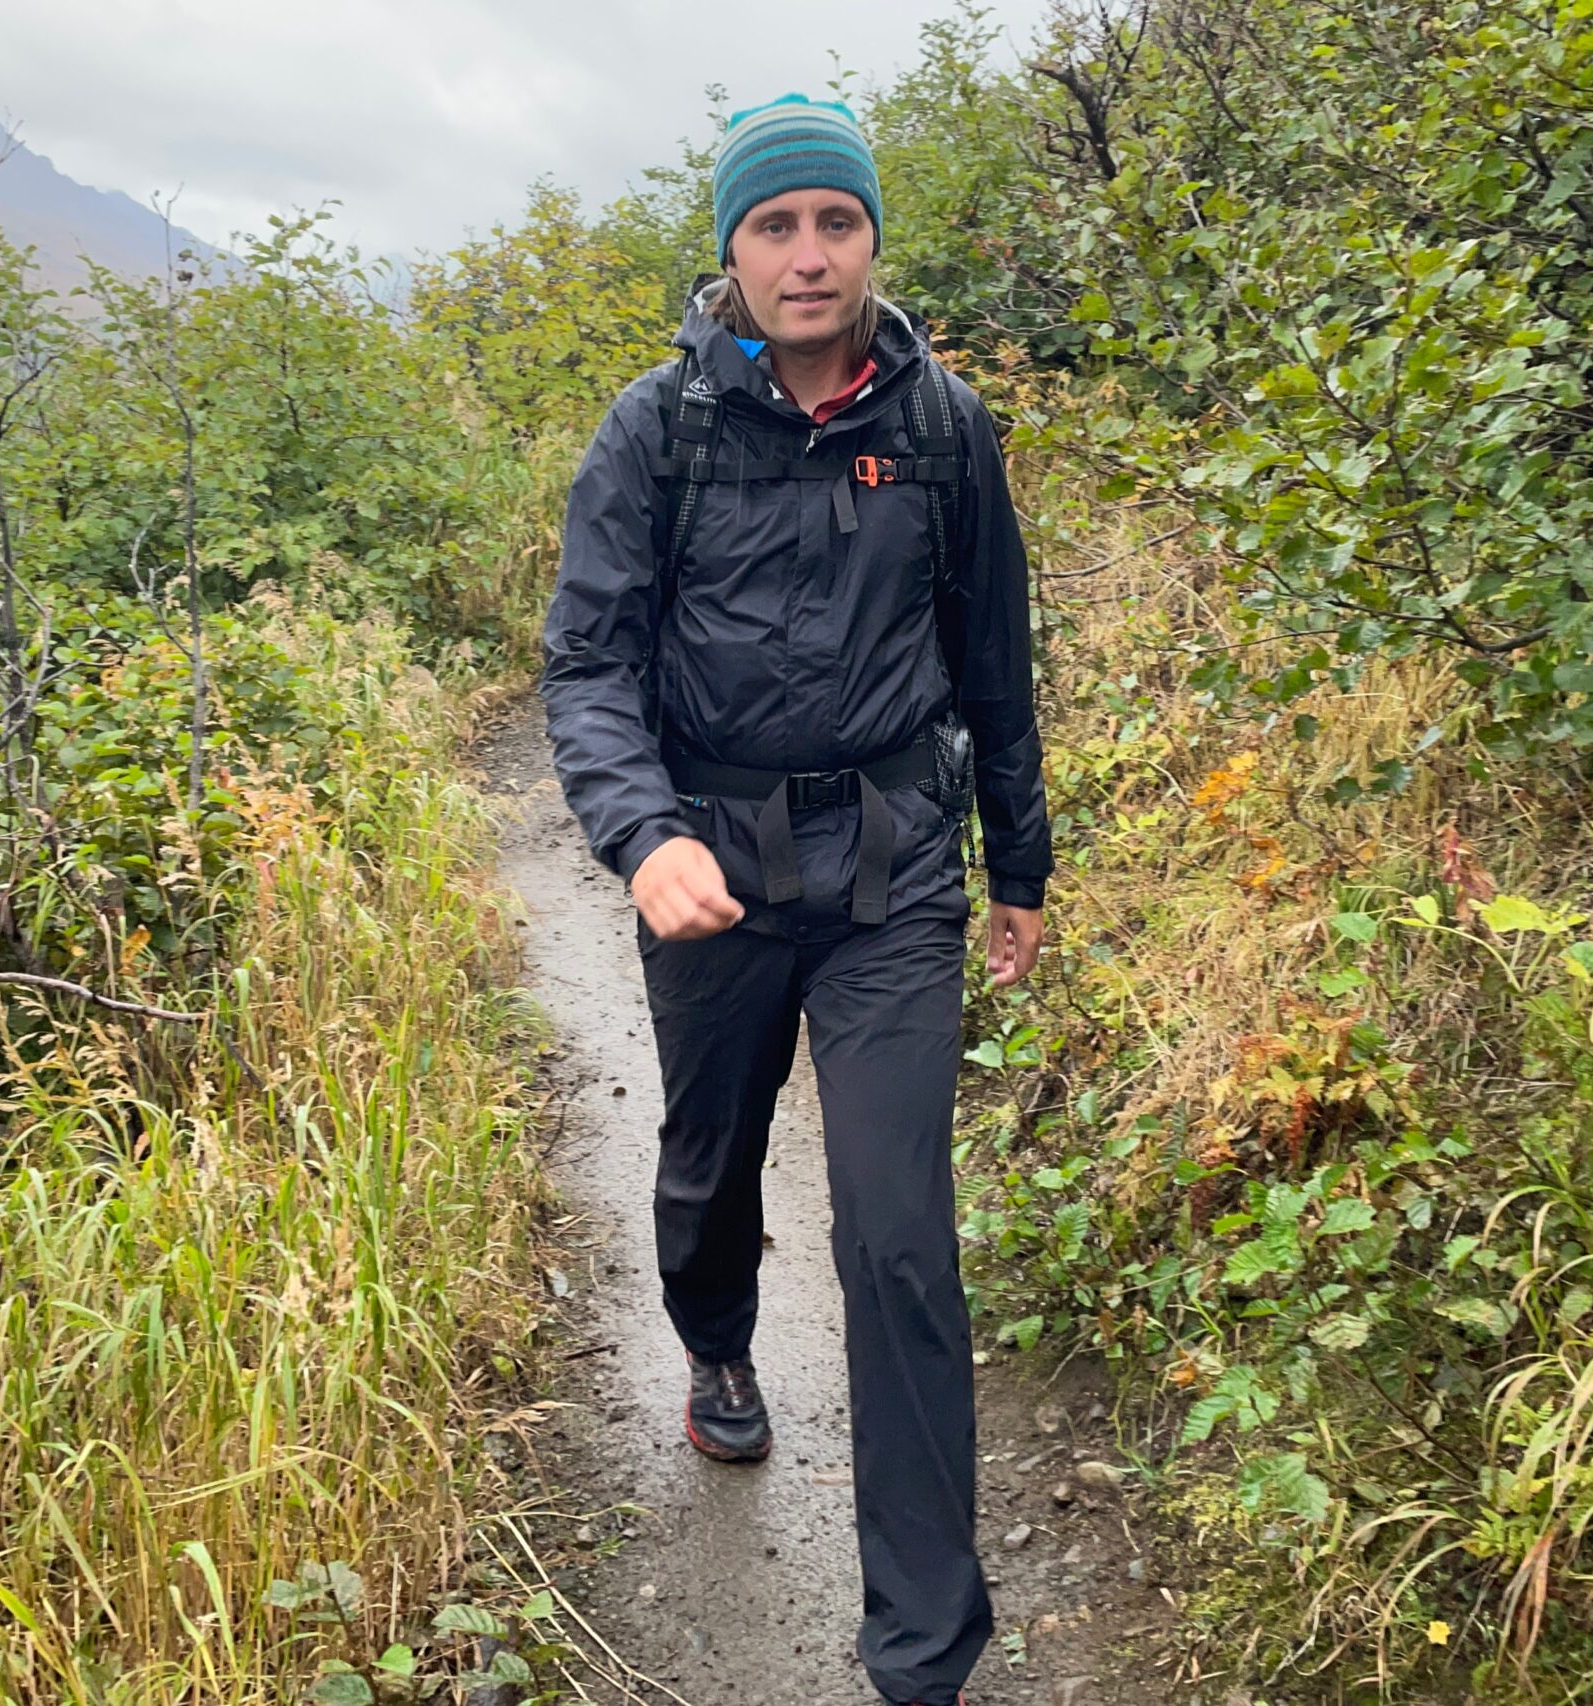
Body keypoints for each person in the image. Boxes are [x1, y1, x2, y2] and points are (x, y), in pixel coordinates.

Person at [540, 91, 1051, 1706]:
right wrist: (642, 836)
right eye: (777, 226)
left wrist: (1021, 865)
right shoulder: (658, 427)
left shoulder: (945, 423)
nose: (809, 255)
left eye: (837, 221)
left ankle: (922, 1651)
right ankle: (713, 1337)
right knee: (710, 1159)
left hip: (896, 864)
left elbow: (995, 663)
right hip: (712, 865)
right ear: (731, 252)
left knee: (901, 1234)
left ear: (875, 239)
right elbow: (589, 665)